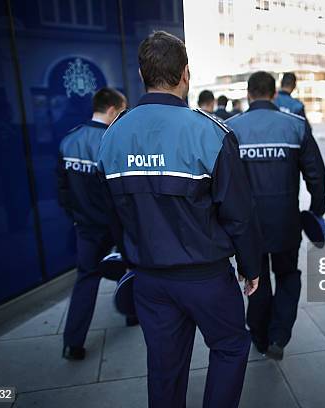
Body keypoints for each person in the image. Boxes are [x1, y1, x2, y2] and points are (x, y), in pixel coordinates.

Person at [96, 31, 262, 408]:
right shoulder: (211, 134)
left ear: (142, 74)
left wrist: (132, 257)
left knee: (164, 366)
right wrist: (251, 267)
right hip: (206, 278)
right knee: (231, 348)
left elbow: (112, 215)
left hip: (150, 279)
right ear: (186, 74)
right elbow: (239, 215)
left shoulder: (112, 136)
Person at [227, 71, 325, 360]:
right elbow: (316, 175)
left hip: (249, 227)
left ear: (248, 94)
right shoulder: (295, 126)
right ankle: (279, 335)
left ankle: (259, 335)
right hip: (286, 222)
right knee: (287, 275)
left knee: (256, 278)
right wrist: (316, 213)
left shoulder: (231, 128)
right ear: (273, 94)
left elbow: (222, 183)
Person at [57, 87, 128, 360]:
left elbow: (62, 188)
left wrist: (75, 217)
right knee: (129, 269)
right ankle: (131, 315)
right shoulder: (114, 141)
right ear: (112, 109)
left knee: (86, 279)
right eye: (122, 110)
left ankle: (72, 343)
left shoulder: (69, 139)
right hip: (115, 226)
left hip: (86, 226)